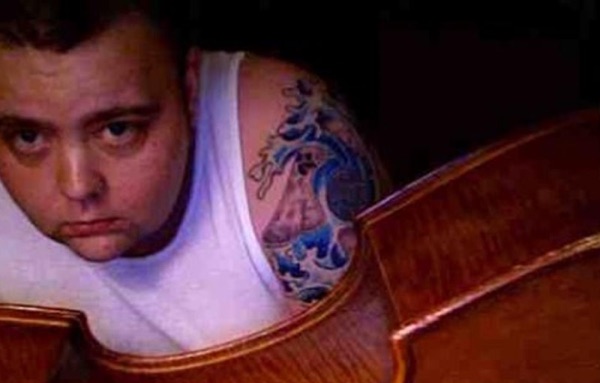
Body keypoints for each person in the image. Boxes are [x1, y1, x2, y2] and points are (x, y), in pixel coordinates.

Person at [0, 1, 385, 356]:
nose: (78, 187)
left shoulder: (292, 145)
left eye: (118, 130)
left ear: (189, 89)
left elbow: (368, 380)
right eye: (28, 137)